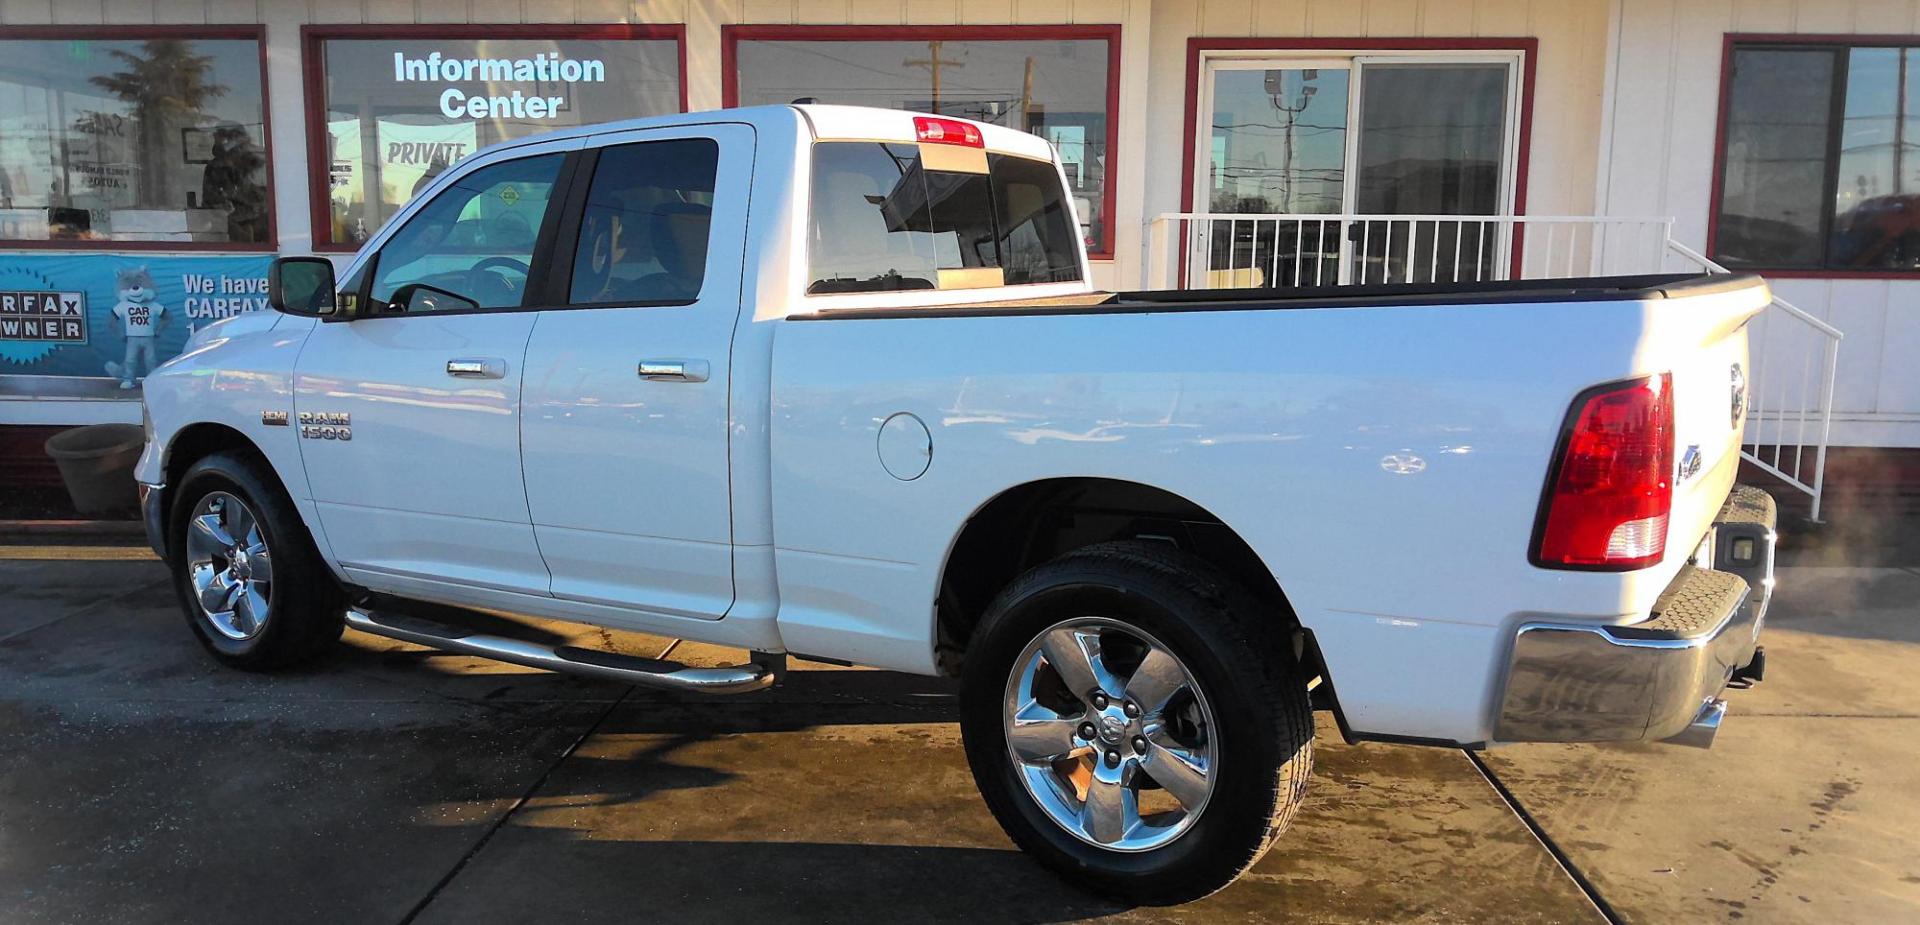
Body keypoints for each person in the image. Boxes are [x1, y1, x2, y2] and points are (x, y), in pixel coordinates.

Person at [200, 123, 267, 244]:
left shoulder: (259, 164)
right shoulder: (214, 167)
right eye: (217, 140)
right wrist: (220, 209)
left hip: (260, 228)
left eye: (225, 139)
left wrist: (236, 197)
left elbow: (265, 201)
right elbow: (209, 202)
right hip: (224, 229)